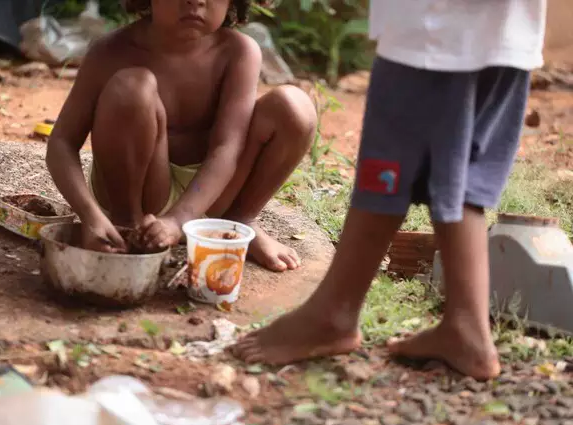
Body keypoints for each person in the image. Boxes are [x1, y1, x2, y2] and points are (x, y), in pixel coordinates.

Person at [232, 0, 547, 380]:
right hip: (507, 32)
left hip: (435, 31)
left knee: (387, 169)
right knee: (461, 174)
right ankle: (467, 326)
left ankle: (334, 312)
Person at [46, 0, 317, 272]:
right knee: (132, 88)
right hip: (138, 193)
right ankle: (125, 227)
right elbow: (62, 143)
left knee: (294, 107)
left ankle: (238, 222)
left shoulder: (237, 52)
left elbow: (228, 146)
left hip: (214, 192)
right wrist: (89, 216)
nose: (196, 1)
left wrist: (178, 220)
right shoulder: (110, 52)